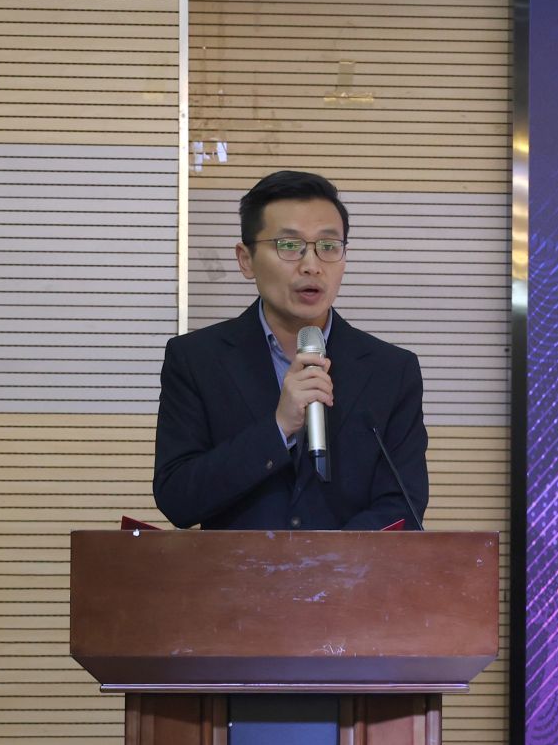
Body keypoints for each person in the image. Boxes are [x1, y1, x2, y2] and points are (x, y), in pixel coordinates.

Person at [152, 170, 428, 530]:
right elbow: (178, 499)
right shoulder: (196, 359)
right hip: (238, 568)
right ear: (246, 259)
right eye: (288, 245)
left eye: (328, 246)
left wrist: (323, 559)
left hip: (348, 568)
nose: (311, 266)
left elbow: (403, 505)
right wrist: (278, 427)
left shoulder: (391, 370)